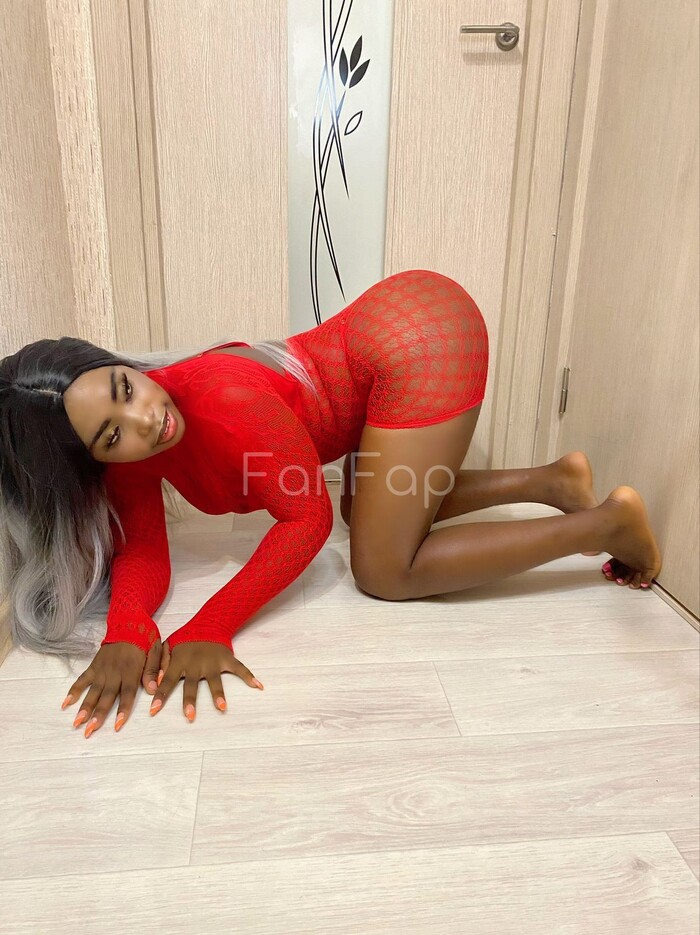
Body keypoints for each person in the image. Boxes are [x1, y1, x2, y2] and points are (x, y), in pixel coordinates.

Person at [0, 269, 661, 739]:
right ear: (93, 460)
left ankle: (606, 524)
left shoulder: (222, 399)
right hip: (388, 339)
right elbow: (145, 545)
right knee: (366, 513)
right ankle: (554, 482)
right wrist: (125, 630)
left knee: (384, 568)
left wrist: (211, 623)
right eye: (111, 434)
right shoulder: (136, 450)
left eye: (124, 387)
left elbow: (304, 519)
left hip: (421, 339)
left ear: (119, 364)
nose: (143, 418)